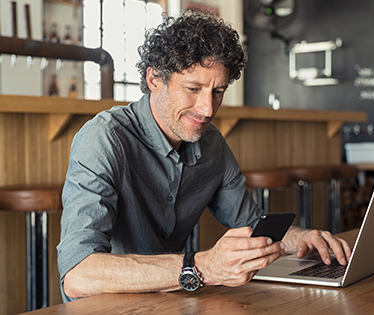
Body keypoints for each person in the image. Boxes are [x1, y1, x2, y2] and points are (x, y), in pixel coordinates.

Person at [57, 10, 351, 302]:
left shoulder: (211, 144)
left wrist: (302, 239)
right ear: (154, 78)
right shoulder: (103, 139)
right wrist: (201, 267)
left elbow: (250, 223)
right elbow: (77, 275)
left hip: (171, 301)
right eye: (193, 88)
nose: (208, 109)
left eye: (218, 91)